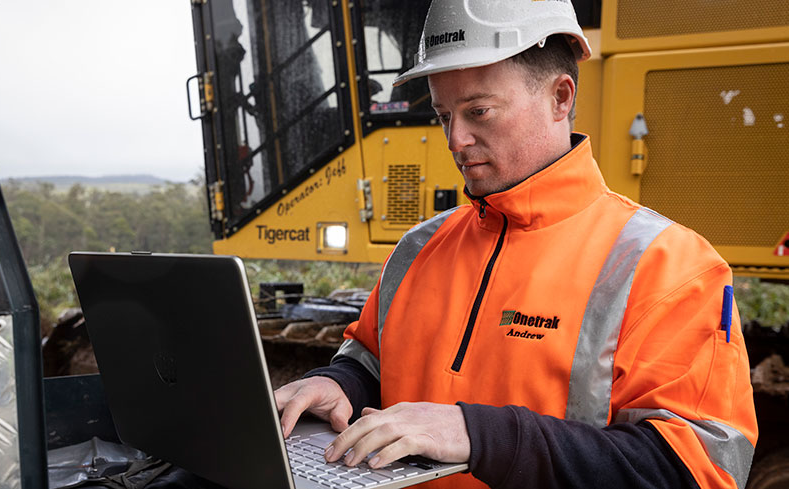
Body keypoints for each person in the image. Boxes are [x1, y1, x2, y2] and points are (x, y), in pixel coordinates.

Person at [274, 1, 758, 488]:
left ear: (560, 98)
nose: (456, 139)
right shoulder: (419, 247)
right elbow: (371, 362)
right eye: (444, 115)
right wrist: (340, 385)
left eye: (478, 111)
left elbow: (697, 471)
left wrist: (480, 434)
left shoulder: (670, 266)